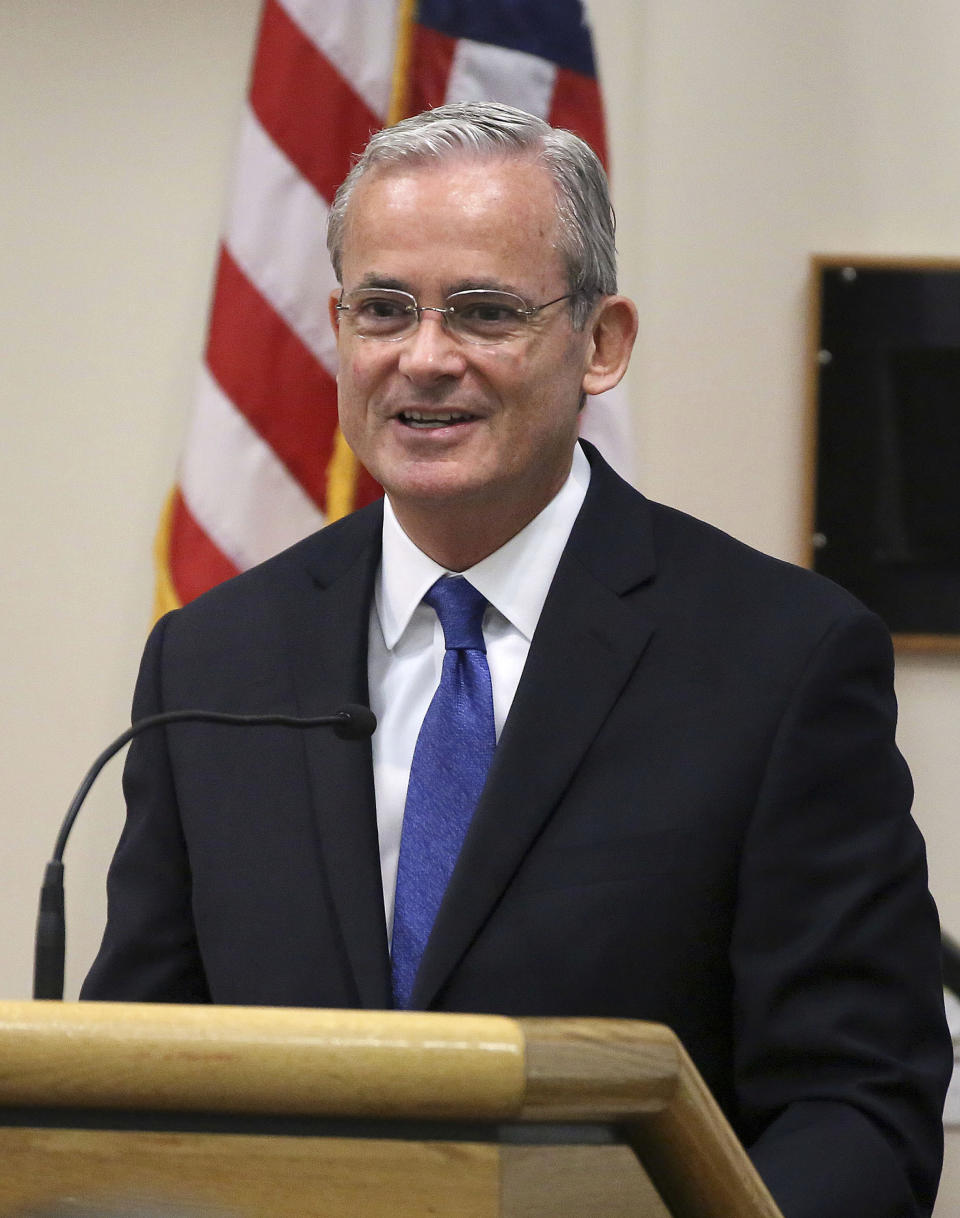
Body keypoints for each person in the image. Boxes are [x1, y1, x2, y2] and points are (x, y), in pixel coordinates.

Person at [82, 102, 950, 1217]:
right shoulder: (214, 662)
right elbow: (139, 1077)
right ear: (339, 328)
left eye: (484, 312)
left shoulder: (782, 660)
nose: (425, 358)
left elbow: (857, 1105)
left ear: (602, 343)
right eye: (384, 310)